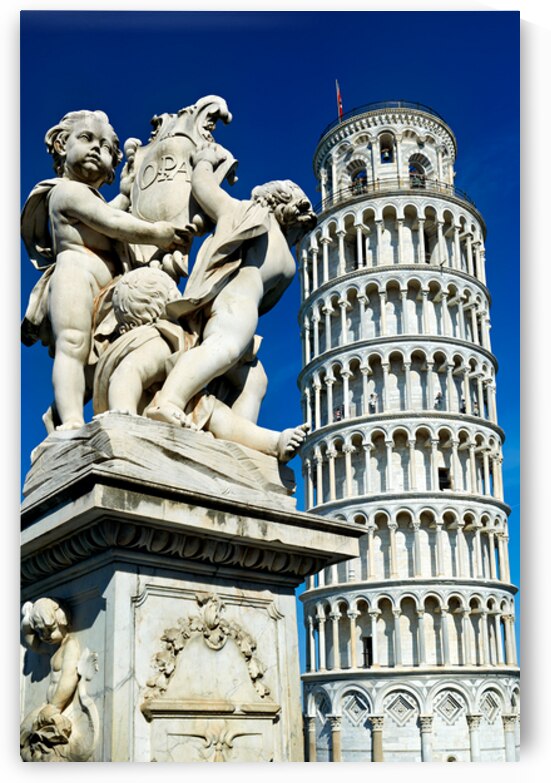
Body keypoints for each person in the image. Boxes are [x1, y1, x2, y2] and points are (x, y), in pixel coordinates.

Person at [21, 110, 188, 431]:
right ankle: (70, 421)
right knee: (72, 346)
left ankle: (57, 413)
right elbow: (111, 223)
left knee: (92, 362)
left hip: (108, 287)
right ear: (60, 144)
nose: (97, 148)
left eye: (107, 147)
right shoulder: (64, 191)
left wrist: (126, 195)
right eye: (86, 139)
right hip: (75, 277)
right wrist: (158, 233)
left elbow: (106, 213)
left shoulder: (90, 198)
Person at [146, 141, 317, 428]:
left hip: (244, 310)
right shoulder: (250, 216)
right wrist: (204, 161)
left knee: (255, 380)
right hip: (234, 303)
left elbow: (267, 302)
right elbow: (206, 191)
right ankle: (169, 400)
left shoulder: (287, 260)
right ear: (281, 203)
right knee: (224, 348)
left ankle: (237, 438)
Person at [94, 267, 308, 461]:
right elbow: (127, 372)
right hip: (152, 412)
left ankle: (273, 443)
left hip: (179, 412)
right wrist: (123, 411)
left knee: (217, 413)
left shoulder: (167, 340)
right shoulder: (155, 341)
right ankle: (272, 443)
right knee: (218, 415)